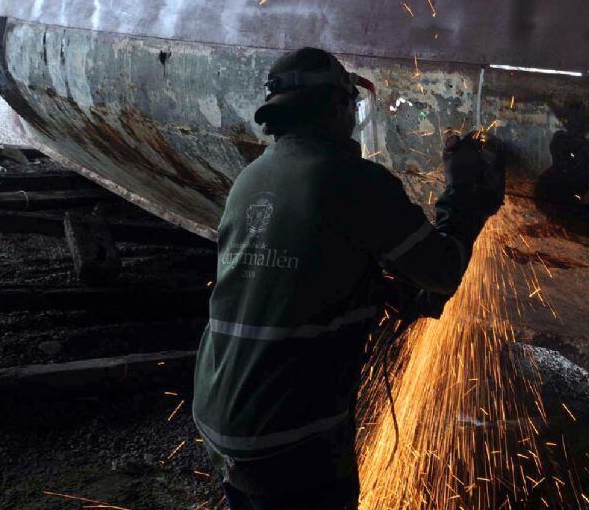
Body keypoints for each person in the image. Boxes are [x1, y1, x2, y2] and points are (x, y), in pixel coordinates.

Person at [192, 47, 504, 509]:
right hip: (289, 429)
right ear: (338, 107)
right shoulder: (353, 180)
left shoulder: (252, 178)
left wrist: (380, 290)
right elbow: (441, 270)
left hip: (222, 411)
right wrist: (464, 195)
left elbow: (291, 277)